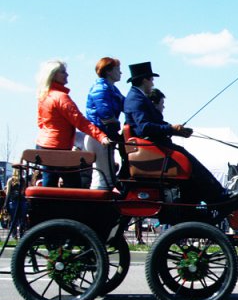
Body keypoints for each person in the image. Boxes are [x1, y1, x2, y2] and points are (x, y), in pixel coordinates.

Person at [122, 62, 225, 204]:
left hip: (154, 144)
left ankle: (202, 198)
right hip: (151, 145)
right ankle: (218, 195)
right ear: (145, 79)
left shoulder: (138, 97)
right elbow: (145, 127)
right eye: (151, 80)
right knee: (188, 159)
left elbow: (155, 125)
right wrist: (171, 129)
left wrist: (178, 131)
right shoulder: (136, 99)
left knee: (186, 160)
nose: (152, 83)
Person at [36, 60, 111, 187]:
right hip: (59, 148)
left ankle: (43, 207)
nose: (67, 75)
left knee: (48, 186)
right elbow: (80, 121)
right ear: (54, 75)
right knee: (74, 186)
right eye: (63, 72)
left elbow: (40, 122)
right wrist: (101, 136)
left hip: (43, 146)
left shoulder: (44, 96)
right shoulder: (61, 97)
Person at [85, 57, 125, 190]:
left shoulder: (111, 88)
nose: (120, 72)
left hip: (102, 135)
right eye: (118, 69)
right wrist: (116, 128)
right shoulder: (101, 88)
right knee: (104, 177)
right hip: (100, 135)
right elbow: (105, 114)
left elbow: (126, 105)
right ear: (108, 71)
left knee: (103, 175)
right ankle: (99, 206)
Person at [3, 168, 27, 239]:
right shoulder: (12, 180)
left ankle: (18, 234)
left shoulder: (22, 180)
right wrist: (6, 204)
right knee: (15, 220)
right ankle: (16, 235)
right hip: (15, 201)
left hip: (18, 201)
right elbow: (8, 193)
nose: (22, 172)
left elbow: (22, 192)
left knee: (19, 219)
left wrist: (6, 204)